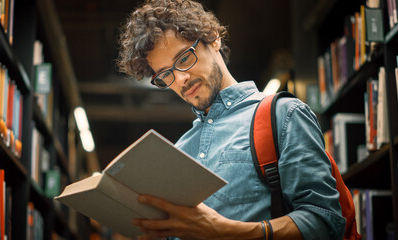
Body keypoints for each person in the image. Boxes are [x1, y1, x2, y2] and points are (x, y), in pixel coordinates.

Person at [117, 0, 346, 239]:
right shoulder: (180, 150)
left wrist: (227, 232)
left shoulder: (282, 115)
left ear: (213, 38)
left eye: (184, 59)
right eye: (166, 74)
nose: (181, 79)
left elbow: (326, 222)